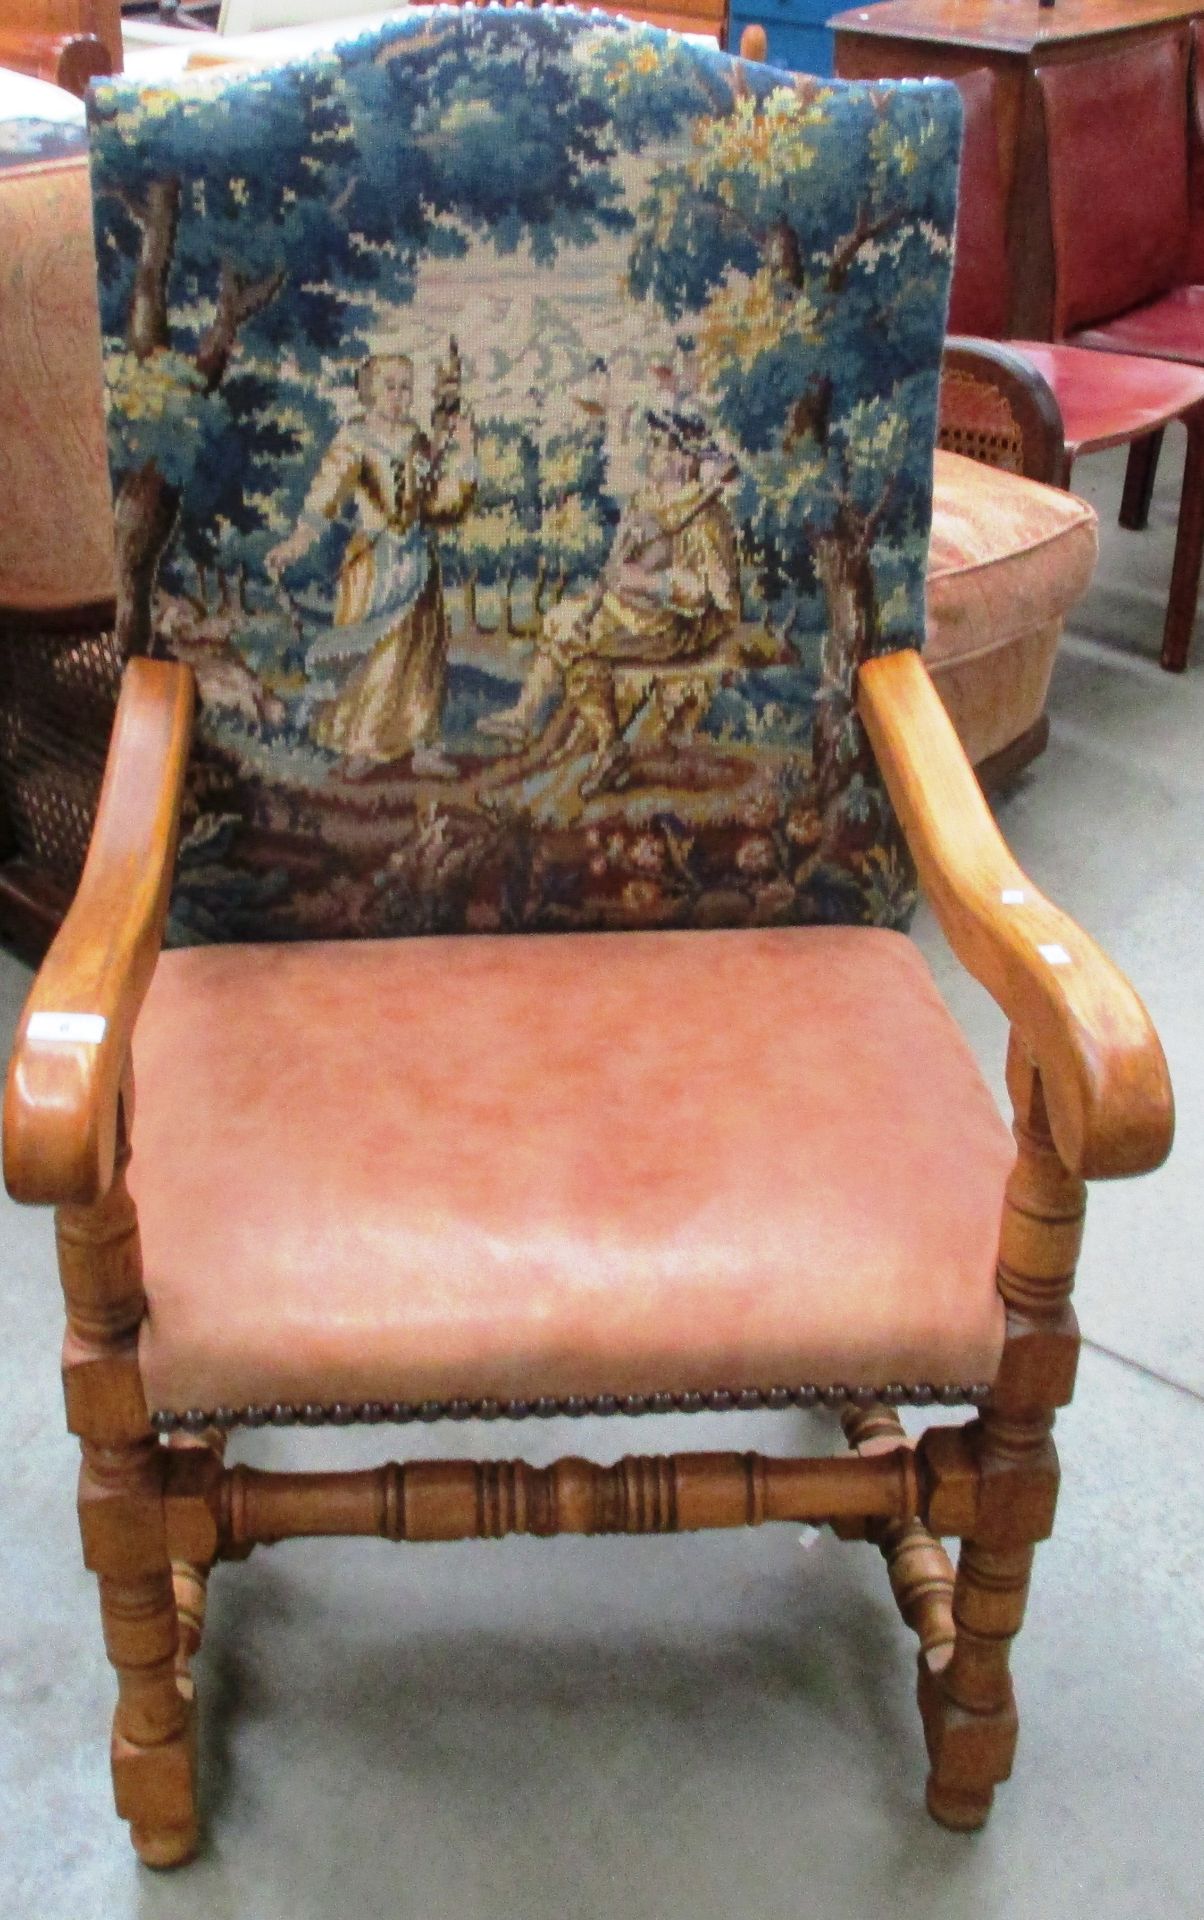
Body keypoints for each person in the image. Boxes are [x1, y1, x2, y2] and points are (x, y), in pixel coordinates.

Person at [480, 410, 740, 797]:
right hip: (632, 610)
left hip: (675, 624)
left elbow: (707, 591)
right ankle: (606, 746)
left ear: (684, 459)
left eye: (659, 446)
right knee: (578, 655)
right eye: (651, 444)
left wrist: (648, 582)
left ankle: (527, 716)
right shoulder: (645, 501)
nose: (649, 453)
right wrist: (609, 587)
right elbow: (618, 562)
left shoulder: (705, 517)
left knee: (565, 628)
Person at [266, 348, 476, 780]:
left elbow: (437, 506)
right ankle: (361, 742)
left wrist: (465, 458)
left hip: (418, 564)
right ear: (368, 392)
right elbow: (325, 497)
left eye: (406, 388)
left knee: (420, 654)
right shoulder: (354, 441)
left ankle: (423, 744)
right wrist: (297, 542)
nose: (401, 396)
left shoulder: (419, 442)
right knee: (373, 657)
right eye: (391, 387)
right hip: (373, 569)